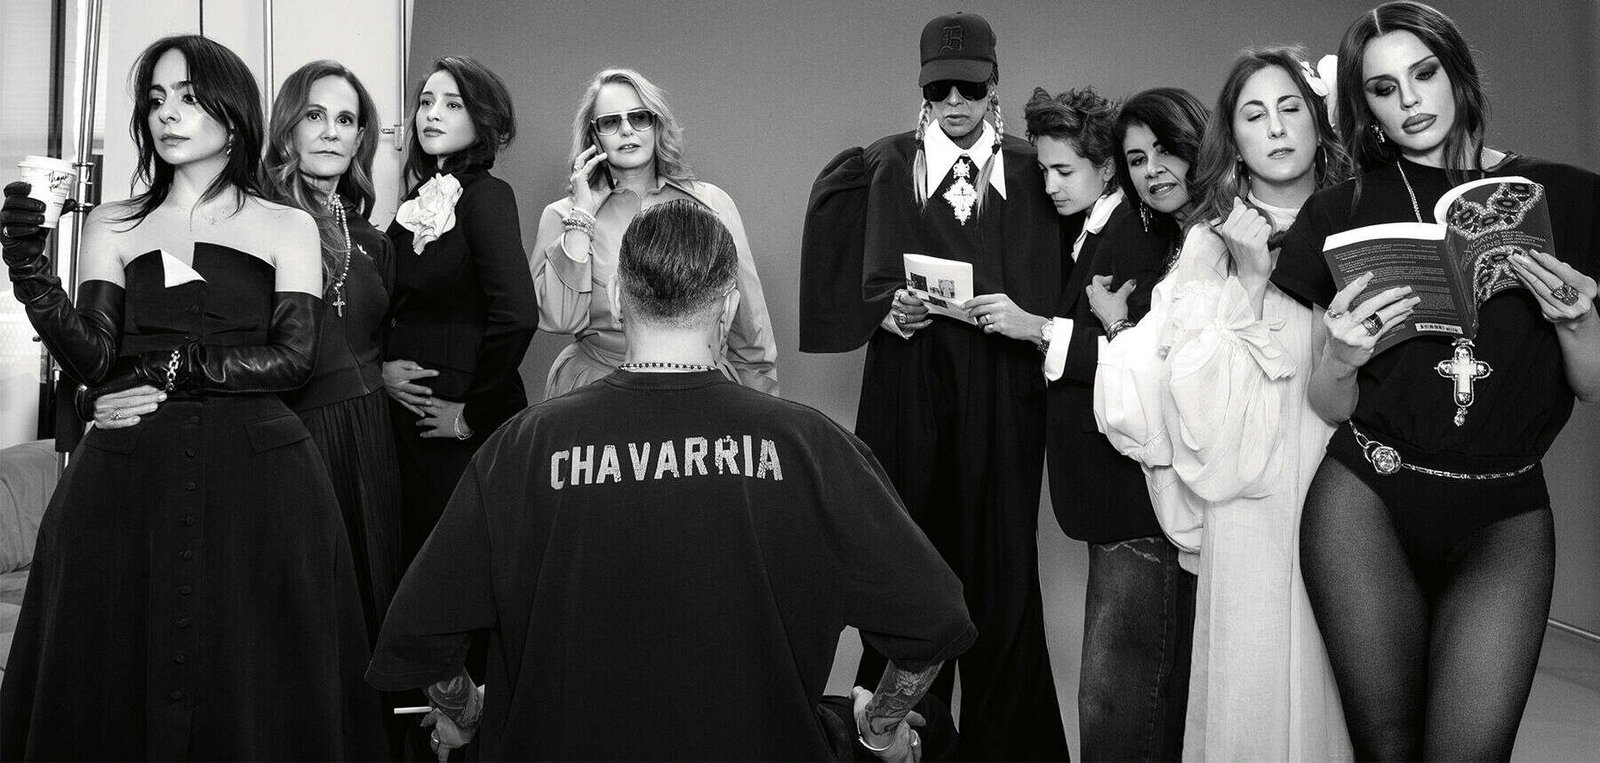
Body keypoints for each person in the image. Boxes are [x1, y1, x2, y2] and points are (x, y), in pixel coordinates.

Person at [368, 199, 975, 761]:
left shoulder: (523, 447)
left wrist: (464, 715)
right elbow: (933, 619)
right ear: (729, 306)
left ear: (618, 297)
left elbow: (420, 634)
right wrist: (879, 728)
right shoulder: (811, 447)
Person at [0, 35, 382, 758]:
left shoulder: (287, 225)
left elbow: (293, 359)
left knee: (256, 676)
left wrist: (177, 366)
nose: (167, 115)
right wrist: (30, 272)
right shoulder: (114, 222)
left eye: (187, 97)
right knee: (107, 674)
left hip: (260, 482)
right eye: (155, 100)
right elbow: (95, 358)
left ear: (233, 115)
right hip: (126, 478)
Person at [1270, 3, 1600, 758]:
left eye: (1424, 74)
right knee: (1385, 749)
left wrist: (1578, 319)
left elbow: (1589, 385)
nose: (1410, 100)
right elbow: (1329, 403)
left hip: (1505, 515)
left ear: (1459, 73)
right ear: (1365, 105)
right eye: (1383, 88)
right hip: (1366, 501)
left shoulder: (1568, 196)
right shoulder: (1340, 212)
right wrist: (1340, 355)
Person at [799, 12, 1068, 759]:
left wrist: (1038, 324)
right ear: (922, 88)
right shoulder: (886, 164)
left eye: (970, 89)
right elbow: (850, 281)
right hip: (910, 387)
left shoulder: (1034, 169)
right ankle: (895, 744)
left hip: (1005, 391)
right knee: (907, 562)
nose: (954, 103)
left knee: (1004, 573)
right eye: (939, 89)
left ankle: (1006, 751)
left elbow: (1078, 267)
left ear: (994, 86)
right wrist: (884, 311)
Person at [1105, 49, 1356, 761]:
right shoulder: (1208, 242)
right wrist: (1250, 280)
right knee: (1252, 673)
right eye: (1254, 114)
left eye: (1290, 108)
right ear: (1233, 139)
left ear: (1318, 122)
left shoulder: (1361, 222)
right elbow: (1191, 396)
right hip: (1250, 490)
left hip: (1350, 474)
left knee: (1348, 671)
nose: (1276, 128)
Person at [963, 85, 1186, 761]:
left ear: (1106, 167)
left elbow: (1151, 368)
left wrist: (1035, 328)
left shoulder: (1139, 236)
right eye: (1044, 172)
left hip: (1135, 502)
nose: (1051, 186)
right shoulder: (1093, 231)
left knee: (1119, 703)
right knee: (1116, 699)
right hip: (1109, 503)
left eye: (1064, 170)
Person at [531, 68, 778, 399]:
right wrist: (582, 216)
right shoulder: (564, 215)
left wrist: (762, 406)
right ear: (594, 135)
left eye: (639, 117)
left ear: (657, 123)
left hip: (699, 384)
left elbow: (750, 328)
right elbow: (559, 319)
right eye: (611, 122)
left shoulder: (712, 203)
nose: (627, 130)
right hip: (599, 388)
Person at [263, 59, 401, 643]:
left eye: (345, 120)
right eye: (314, 116)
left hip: (371, 431)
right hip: (296, 431)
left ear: (360, 137)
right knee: (309, 602)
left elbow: (373, 334)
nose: (329, 132)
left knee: (374, 594)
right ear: (288, 127)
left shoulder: (372, 238)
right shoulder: (258, 224)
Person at [383, 55, 538, 565]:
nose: (432, 114)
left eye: (452, 104)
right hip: (409, 422)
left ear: (482, 119)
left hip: (456, 422)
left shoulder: (487, 196)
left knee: (456, 569)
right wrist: (381, 368)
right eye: (426, 102)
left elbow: (517, 314)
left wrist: (472, 416)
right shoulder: (415, 201)